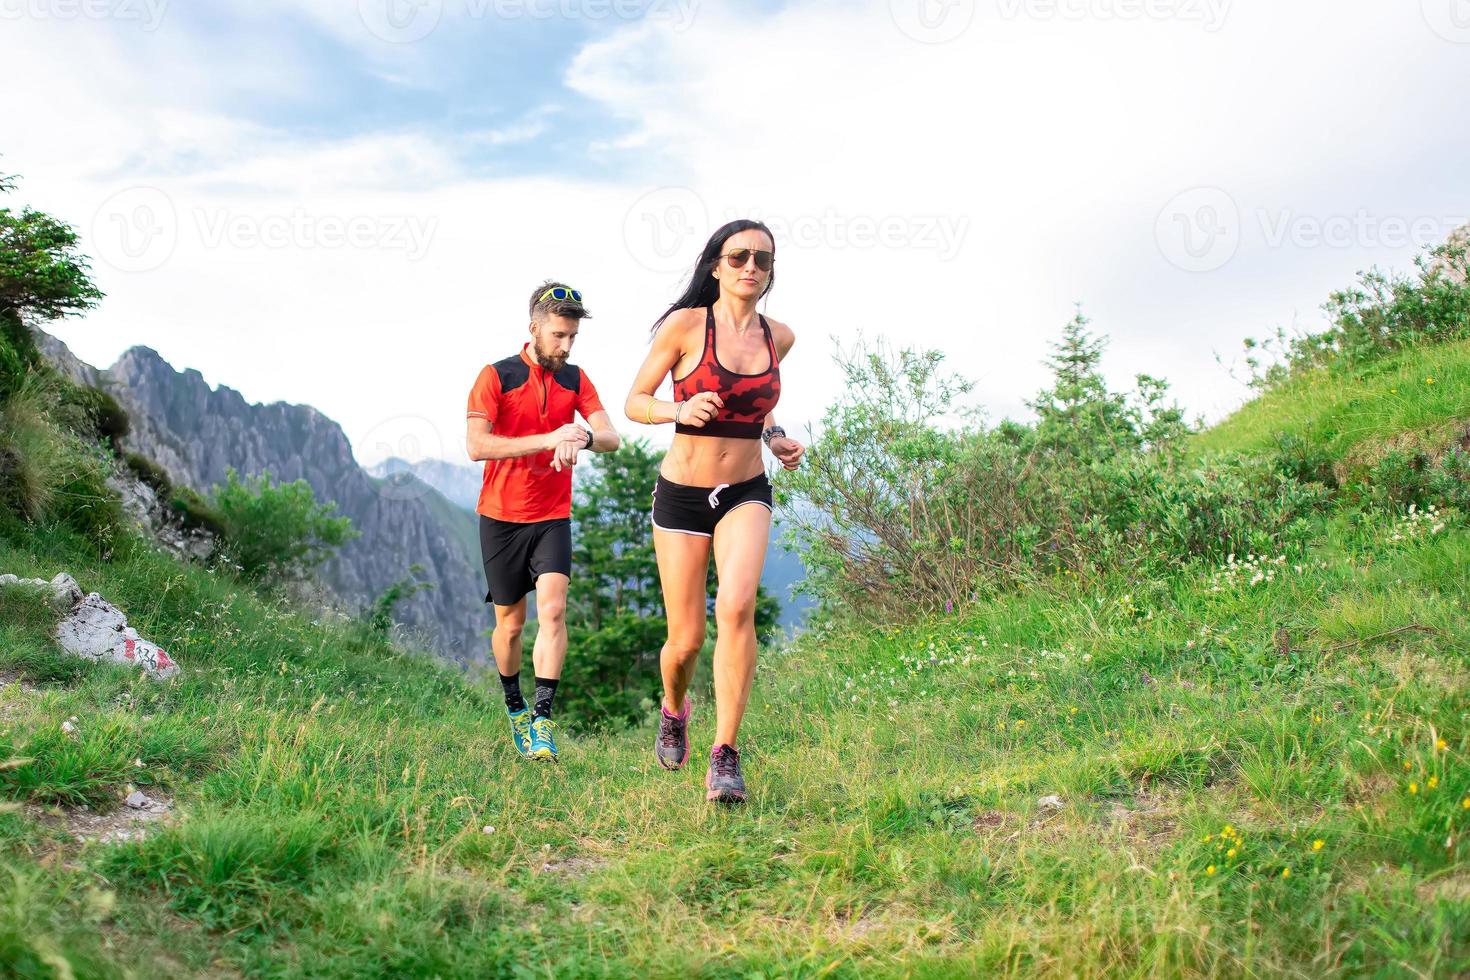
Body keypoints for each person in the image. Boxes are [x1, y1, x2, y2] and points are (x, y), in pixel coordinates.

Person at [624, 220, 804, 803]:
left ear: (771, 271)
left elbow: (763, 405)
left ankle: (725, 753)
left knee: (737, 605)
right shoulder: (684, 327)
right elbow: (635, 401)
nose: (751, 266)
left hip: (746, 487)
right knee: (686, 641)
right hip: (682, 494)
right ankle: (674, 706)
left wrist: (775, 436)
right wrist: (676, 411)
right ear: (716, 265)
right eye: (740, 256)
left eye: (763, 259)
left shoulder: (781, 337)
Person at [466, 282, 619, 762]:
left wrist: (582, 439)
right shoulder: (495, 375)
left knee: (553, 611)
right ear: (533, 327)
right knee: (510, 627)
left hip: (553, 516)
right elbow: (477, 446)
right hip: (501, 517)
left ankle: (542, 720)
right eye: (559, 335)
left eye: (573, 336)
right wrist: (549, 438)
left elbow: (612, 436)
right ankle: (513, 704)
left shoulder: (576, 379)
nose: (567, 346)